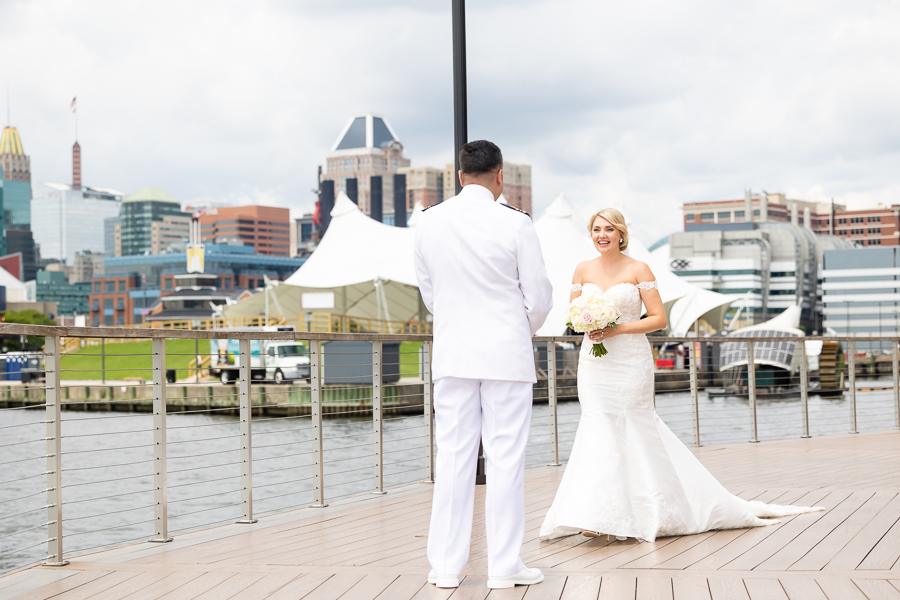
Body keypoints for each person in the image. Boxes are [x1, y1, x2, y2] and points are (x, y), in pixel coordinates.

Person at [539, 208, 822, 542]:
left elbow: (658, 319)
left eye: (609, 229)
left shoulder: (638, 268)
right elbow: (574, 315)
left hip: (629, 360)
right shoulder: (582, 269)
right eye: (597, 229)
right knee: (597, 426)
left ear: (621, 234)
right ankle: (596, 514)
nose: (602, 235)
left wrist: (616, 328)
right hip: (595, 362)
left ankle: (649, 507)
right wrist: (586, 325)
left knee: (634, 426)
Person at [414, 140, 553, 589]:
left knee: (452, 458)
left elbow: (429, 294)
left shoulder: (428, 221)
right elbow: (539, 297)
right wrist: (515, 330)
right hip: (506, 355)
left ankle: (448, 566)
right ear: (500, 176)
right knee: (505, 459)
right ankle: (504, 567)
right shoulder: (516, 223)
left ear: (459, 175)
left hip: (453, 354)